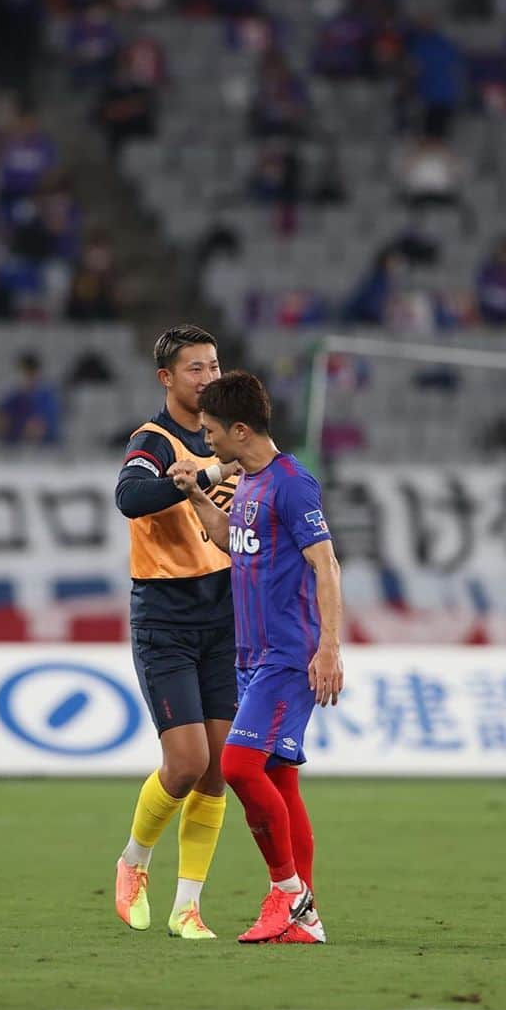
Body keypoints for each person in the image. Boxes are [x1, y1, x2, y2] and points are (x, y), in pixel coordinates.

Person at [171, 370, 343, 945]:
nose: (208, 443)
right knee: (281, 782)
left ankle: (289, 895)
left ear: (240, 429)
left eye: (213, 432)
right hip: (252, 657)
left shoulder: (292, 484)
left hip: (288, 655)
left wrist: (329, 647)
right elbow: (229, 539)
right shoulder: (249, 482)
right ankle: (306, 919)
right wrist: (197, 495)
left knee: (239, 767)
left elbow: (327, 565)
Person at [113, 325, 241, 940]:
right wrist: (191, 477)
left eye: (214, 366)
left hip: (223, 615)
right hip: (165, 615)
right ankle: (134, 862)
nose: (208, 378)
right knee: (186, 762)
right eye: (195, 369)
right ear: (167, 378)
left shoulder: (229, 438)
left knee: (220, 768)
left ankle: (188, 906)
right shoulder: (155, 440)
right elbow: (130, 497)